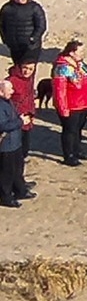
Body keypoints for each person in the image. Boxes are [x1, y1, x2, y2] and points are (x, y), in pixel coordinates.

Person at [50, 40, 87, 166]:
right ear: (71, 53)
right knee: (70, 130)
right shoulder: (62, 68)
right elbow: (60, 90)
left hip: (83, 103)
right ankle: (68, 155)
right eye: (80, 51)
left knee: (78, 129)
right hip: (71, 105)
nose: (83, 54)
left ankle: (77, 150)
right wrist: (62, 107)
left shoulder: (79, 64)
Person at [3, 0, 47, 74]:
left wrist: (33, 38)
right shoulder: (7, 9)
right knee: (17, 70)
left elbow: (41, 25)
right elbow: (2, 26)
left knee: (28, 70)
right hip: (14, 45)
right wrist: (6, 40)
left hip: (31, 46)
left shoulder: (35, 7)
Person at [0, 74, 26, 207]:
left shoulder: (7, 101)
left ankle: (20, 189)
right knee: (6, 172)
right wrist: (21, 121)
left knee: (17, 168)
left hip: (14, 143)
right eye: (9, 89)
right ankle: (6, 196)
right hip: (6, 145)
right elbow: (3, 125)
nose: (12, 91)